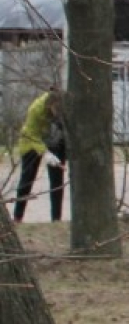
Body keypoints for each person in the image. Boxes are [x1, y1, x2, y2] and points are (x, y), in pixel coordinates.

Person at [12, 87, 66, 223]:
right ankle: (18, 217)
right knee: (27, 178)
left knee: (57, 180)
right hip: (32, 141)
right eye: (55, 110)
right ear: (50, 105)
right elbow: (30, 134)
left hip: (54, 140)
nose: (57, 114)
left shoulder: (65, 106)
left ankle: (56, 219)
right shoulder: (36, 109)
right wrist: (45, 152)